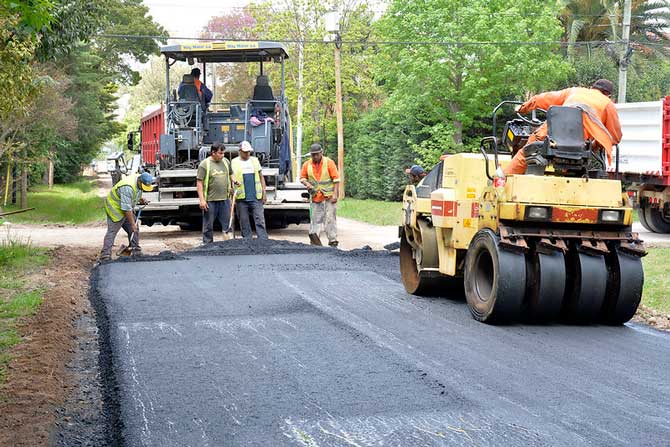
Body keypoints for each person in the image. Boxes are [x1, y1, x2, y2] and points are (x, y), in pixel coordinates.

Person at [504, 79, 622, 175]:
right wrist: (595, 145)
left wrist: (523, 107)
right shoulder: (608, 105)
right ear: (608, 95)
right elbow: (615, 137)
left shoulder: (575, 91)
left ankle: (503, 180)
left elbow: (544, 98)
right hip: (578, 147)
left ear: (592, 88)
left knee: (526, 153)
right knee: (573, 164)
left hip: (549, 135)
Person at [100, 172, 154, 261]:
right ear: (140, 181)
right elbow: (126, 209)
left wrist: (140, 199)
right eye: (143, 186)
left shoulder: (139, 181)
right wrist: (132, 224)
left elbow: (133, 194)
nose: (143, 189)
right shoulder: (127, 187)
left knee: (134, 229)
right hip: (115, 208)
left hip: (125, 207)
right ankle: (105, 255)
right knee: (112, 232)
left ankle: (135, 250)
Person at [300, 143, 340, 247]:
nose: (315, 157)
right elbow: (302, 177)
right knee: (315, 220)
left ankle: (333, 241)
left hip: (329, 197)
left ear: (321, 153)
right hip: (315, 197)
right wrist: (307, 184)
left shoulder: (329, 163)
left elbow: (336, 180)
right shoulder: (307, 165)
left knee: (330, 219)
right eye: (313, 155)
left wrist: (335, 194)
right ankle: (315, 241)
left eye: (317, 154)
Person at [197, 142, 235, 244]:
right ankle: (207, 244)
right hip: (210, 201)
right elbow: (199, 183)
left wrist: (234, 181)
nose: (222, 156)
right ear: (213, 153)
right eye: (220, 153)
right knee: (208, 225)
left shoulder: (226, 162)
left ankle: (229, 244)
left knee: (227, 224)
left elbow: (231, 173)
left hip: (224, 200)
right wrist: (202, 200)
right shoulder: (205, 164)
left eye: (223, 153)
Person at [231, 141, 268, 239]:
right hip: (241, 198)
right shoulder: (234, 162)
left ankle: (263, 241)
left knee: (260, 220)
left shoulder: (255, 161)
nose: (247, 153)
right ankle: (247, 241)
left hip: (256, 197)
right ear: (240, 151)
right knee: (244, 221)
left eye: (249, 152)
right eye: (245, 152)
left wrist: (264, 192)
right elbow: (231, 177)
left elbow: (261, 177)